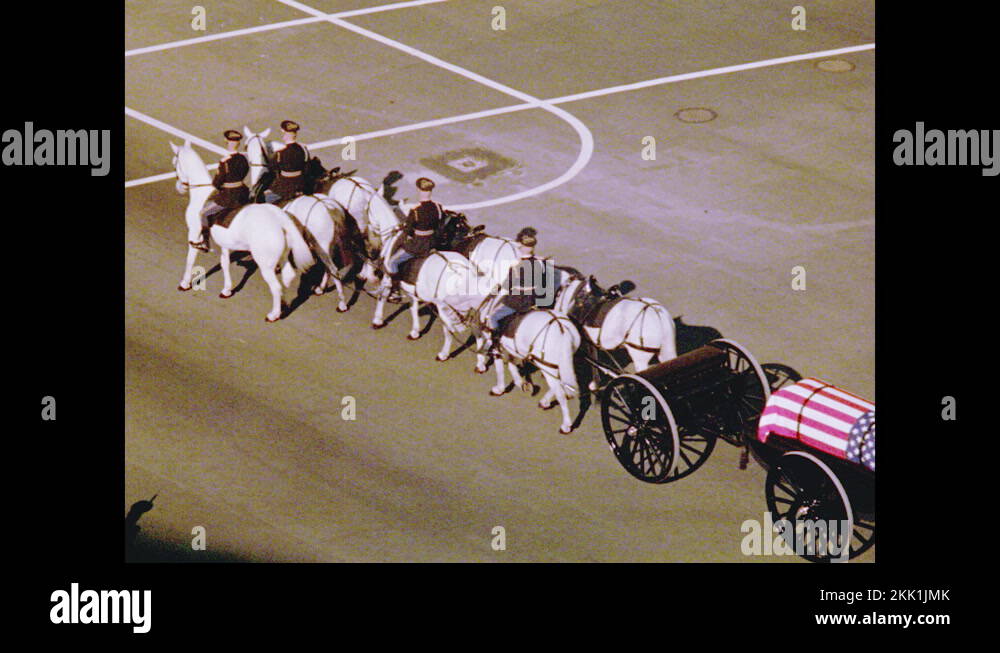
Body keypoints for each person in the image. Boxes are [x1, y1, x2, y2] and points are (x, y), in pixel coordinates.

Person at [481, 227, 551, 354]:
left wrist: (494, 290)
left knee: (493, 317)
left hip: (518, 301)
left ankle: (494, 344)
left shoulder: (516, 266)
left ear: (522, 248)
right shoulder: (540, 263)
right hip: (534, 300)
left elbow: (507, 285)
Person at [382, 177, 444, 294]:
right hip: (432, 243)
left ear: (419, 191)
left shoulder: (415, 210)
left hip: (417, 245)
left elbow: (408, 231)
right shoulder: (438, 207)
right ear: (430, 191)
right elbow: (439, 228)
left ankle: (395, 290)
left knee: (392, 262)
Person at [195, 130, 251, 251]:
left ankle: (205, 242)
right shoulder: (243, 158)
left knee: (203, 214)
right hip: (243, 192)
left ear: (226, 141)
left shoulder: (225, 161)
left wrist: (219, 185)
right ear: (238, 143)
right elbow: (246, 172)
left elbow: (217, 182)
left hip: (229, 197)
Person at [262, 120, 309, 204]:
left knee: (268, 197)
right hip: (302, 183)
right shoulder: (303, 149)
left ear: (284, 135)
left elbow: (272, 167)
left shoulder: (280, 153)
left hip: (286, 186)